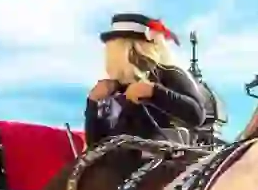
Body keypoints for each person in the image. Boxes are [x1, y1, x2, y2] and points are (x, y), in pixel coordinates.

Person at [85, 13, 210, 146]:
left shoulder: (168, 74)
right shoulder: (112, 89)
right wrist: (92, 104)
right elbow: (96, 144)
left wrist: (154, 92)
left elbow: (196, 115)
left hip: (163, 160)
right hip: (119, 163)